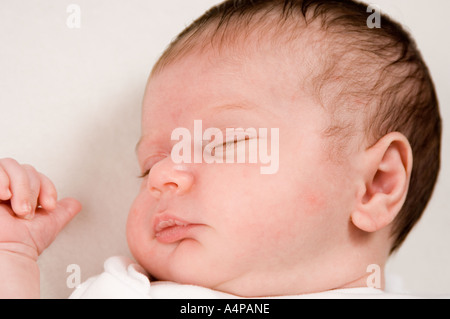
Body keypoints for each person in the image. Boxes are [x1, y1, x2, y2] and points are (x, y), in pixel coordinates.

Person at [0, 0, 441, 299]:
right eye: (149, 163)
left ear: (375, 185)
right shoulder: (128, 291)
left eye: (224, 143)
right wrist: (11, 258)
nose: (161, 176)